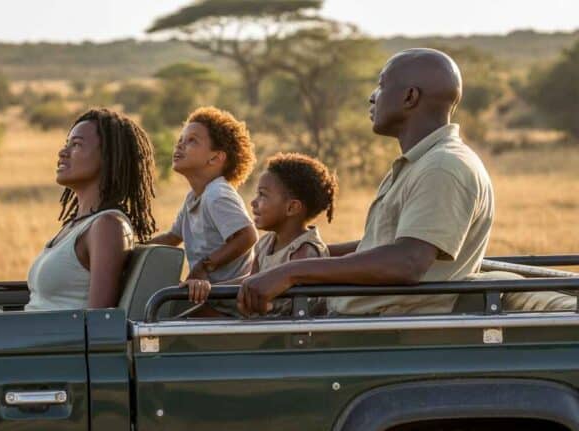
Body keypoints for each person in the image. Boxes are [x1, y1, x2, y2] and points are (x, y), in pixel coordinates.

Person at [238, 48, 495, 316]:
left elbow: (407, 261)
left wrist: (292, 271)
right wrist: (294, 255)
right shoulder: (420, 162)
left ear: (410, 97)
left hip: (386, 332)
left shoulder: (442, 167)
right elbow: (380, 247)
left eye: (382, 86)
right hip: (364, 320)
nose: (372, 96)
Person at [26, 108, 157, 311]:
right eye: (66, 144)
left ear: (107, 157)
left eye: (76, 145)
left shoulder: (107, 226)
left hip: (58, 341)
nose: (63, 153)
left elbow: (98, 322)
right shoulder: (77, 223)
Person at [183, 153, 338, 316]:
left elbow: (293, 306)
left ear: (291, 208)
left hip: (284, 335)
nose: (253, 202)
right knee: (194, 313)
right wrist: (212, 291)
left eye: (262, 195)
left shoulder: (304, 251)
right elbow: (250, 282)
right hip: (261, 324)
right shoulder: (266, 243)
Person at [149, 106, 258, 316]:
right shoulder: (194, 197)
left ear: (215, 158)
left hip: (229, 302)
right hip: (212, 298)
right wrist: (133, 250)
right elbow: (173, 237)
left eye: (192, 141)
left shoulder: (217, 194)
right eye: (181, 139)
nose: (180, 144)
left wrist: (204, 267)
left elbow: (247, 235)